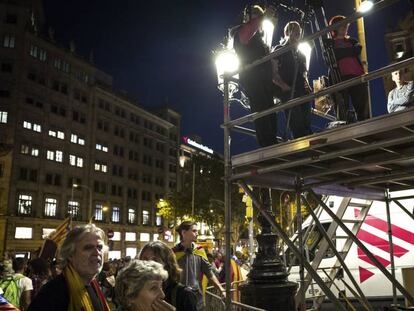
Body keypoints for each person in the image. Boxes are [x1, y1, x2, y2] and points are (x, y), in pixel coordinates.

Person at [27, 224, 110, 311]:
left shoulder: (93, 287)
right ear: (70, 254)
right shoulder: (52, 293)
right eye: (88, 248)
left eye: (99, 247)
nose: (97, 252)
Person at [232, 4, 278, 147]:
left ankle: (273, 142)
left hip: (264, 79)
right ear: (247, 16)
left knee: (270, 112)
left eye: (259, 14)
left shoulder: (260, 37)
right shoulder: (240, 31)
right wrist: (264, 16)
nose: (258, 17)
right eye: (255, 14)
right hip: (252, 77)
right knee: (261, 110)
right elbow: (246, 34)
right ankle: (267, 144)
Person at [272, 21, 313, 139]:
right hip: (289, 90)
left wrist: (307, 86)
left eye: (299, 30)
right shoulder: (279, 49)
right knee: (296, 122)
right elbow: (274, 73)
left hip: (302, 91)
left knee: (306, 121)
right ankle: (300, 144)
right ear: (287, 32)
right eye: (294, 29)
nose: (297, 32)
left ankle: (308, 141)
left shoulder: (301, 54)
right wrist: (284, 86)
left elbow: (304, 73)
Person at [326, 15, 370, 123]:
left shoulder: (353, 41)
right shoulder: (329, 43)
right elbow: (333, 56)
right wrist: (349, 51)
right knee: (342, 109)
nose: (344, 26)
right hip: (340, 77)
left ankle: (365, 129)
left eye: (346, 24)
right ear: (334, 27)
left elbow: (358, 50)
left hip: (357, 74)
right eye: (341, 24)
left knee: (362, 108)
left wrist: (341, 53)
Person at [172, 221, 225, 310]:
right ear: (184, 232)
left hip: (197, 299)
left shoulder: (200, 250)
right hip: (179, 298)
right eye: (194, 231)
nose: (197, 234)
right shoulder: (173, 253)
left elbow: (209, 273)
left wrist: (221, 289)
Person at [139, 241, 197, 311]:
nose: (149, 264)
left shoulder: (185, 295)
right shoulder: (136, 293)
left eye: (155, 260)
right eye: (145, 260)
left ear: (167, 264)